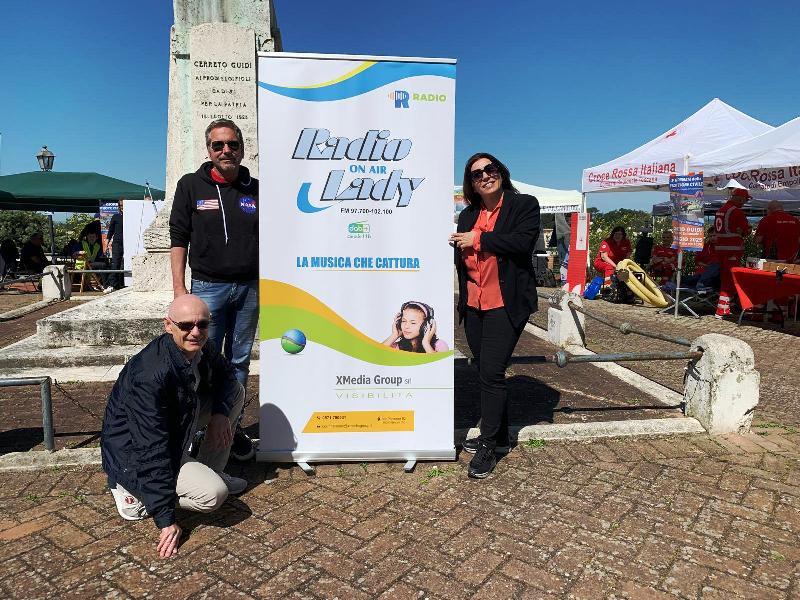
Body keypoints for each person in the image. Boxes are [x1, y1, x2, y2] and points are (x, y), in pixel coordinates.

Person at [101, 294, 247, 558]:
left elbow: (226, 377)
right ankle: (136, 492)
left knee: (235, 392)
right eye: (186, 325)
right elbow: (150, 447)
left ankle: (210, 469)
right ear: (168, 325)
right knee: (213, 495)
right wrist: (165, 518)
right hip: (133, 453)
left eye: (203, 324)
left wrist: (220, 413)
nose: (195, 332)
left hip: (174, 427)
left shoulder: (204, 347)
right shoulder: (150, 375)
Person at [169, 118, 258, 461]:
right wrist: (180, 290)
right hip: (207, 287)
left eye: (232, 144)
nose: (226, 150)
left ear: (242, 149)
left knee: (239, 361)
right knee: (201, 360)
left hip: (249, 288)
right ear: (208, 150)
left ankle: (231, 427)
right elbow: (178, 238)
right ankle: (197, 429)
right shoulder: (191, 185)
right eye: (218, 145)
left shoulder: (256, 189)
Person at [450, 152, 540, 479]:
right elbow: (462, 259)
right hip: (474, 304)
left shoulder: (523, 204)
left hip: (505, 302)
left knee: (491, 372)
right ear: (471, 184)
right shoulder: (468, 215)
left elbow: (521, 243)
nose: (485, 176)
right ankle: (500, 436)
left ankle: (487, 445)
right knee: (484, 369)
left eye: (490, 169)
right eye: (477, 174)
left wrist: (478, 239)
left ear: (501, 171)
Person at [714, 188, 752, 319]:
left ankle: (723, 308)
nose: (745, 202)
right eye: (745, 200)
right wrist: (745, 230)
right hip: (732, 249)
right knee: (730, 280)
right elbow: (746, 230)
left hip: (720, 249)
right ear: (740, 198)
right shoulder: (736, 211)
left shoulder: (720, 210)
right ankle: (722, 310)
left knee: (725, 278)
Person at [383, 301, 449, 353]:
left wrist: (426, 344)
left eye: (413, 323)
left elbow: (439, 365)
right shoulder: (395, 347)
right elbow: (377, 356)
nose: (406, 326)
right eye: (403, 321)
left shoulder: (439, 345)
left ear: (425, 326)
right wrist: (394, 335)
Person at [106, 200, 125, 291]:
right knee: (116, 262)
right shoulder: (116, 216)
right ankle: (112, 284)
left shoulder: (131, 216)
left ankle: (123, 284)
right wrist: (107, 242)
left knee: (125, 263)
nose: (122, 207)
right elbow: (111, 230)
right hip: (117, 243)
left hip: (128, 242)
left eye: (123, 205)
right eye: (120, 205)